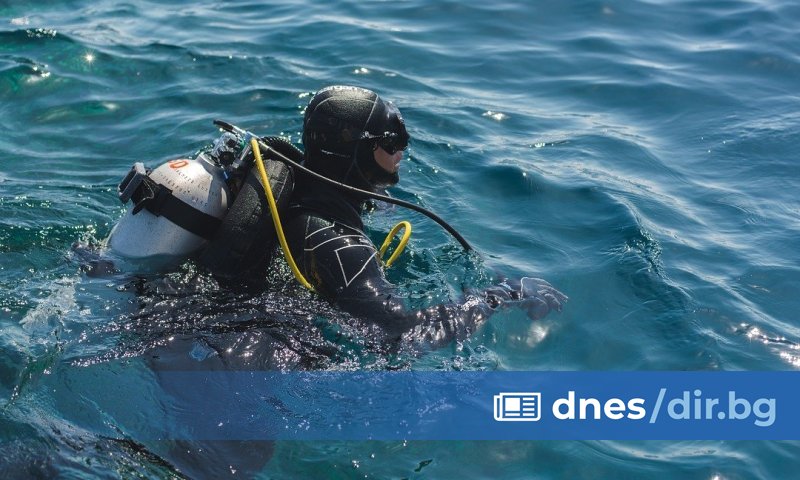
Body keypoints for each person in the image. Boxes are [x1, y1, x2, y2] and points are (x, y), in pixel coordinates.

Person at [283, 85, 566, 347]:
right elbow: (400, 336)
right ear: (358, 152)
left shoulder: (294, 182)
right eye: (393, 141)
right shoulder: (345, 247)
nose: (403, 149)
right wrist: (502, 295)